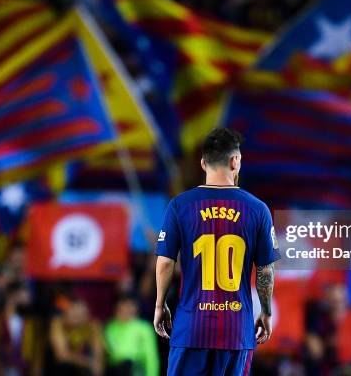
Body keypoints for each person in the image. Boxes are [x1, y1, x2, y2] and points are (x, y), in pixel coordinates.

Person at [154, 128, 281, 376]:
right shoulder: (258, 209)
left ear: (203, 163)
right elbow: (266, 269)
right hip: (236, 331)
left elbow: (165, 263)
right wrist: (266, 312)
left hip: (191, 328)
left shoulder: (180, 206)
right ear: (235, 161)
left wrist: (160, 305)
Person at [104, 293, 159, 376]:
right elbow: (111, 353)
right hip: (115, 368)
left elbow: (151, 357)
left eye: (129, 307)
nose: (126, 310)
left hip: (135, 367)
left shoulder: (144, 327)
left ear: (136, 308)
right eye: (122, 307)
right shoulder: (111, 327)